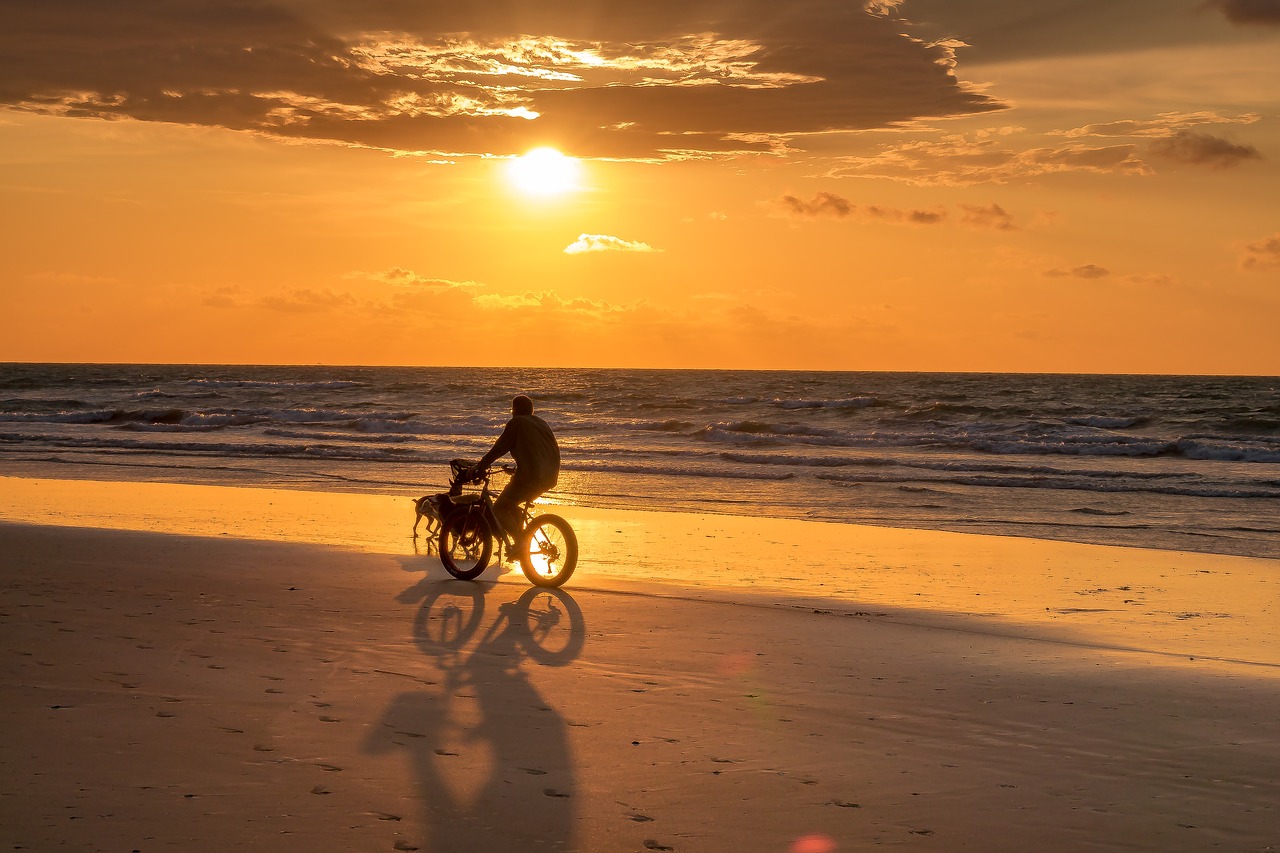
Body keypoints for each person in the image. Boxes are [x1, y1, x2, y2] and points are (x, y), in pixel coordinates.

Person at [469, 394, 560, 546]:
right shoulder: (541, 423)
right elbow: (536, 451)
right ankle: (523, 537)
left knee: (499, 508)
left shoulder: (517, 422)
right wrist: (517, 469)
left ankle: (520, 544)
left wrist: (481, 465)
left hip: (530, 477)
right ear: (532, 410)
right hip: (550, 477)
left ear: (515, 410)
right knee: (511, 504)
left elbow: (499, 448)